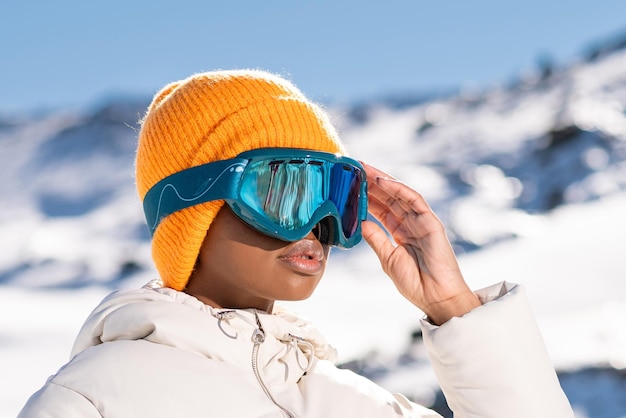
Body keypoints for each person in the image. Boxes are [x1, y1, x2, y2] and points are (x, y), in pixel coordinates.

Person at [18, 70, 574, 418]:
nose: (317, 224)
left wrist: (454, 309)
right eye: (285, 188)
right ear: (193, 206)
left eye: (337, 193)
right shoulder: (88, 402)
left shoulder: (360, 404)